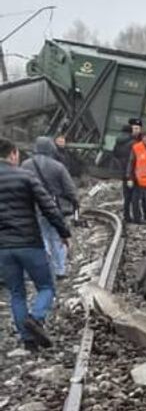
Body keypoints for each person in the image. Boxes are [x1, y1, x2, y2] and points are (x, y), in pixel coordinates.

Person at [0, 137, 72, 351]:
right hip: (29, 242)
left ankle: (28, 340)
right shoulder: (25, 176)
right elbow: (48, 207)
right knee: (47, 286)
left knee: (16, 293)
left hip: (3, 247)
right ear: (13, 153)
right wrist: (63, 232)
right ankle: (37, 318)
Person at [21, 136, 79, 278]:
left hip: (32, 206)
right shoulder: (58, 166)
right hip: (54, 206)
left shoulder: (25, 165)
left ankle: (40, 267)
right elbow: (70, 188)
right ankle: (59, 270)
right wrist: (75, 202)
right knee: (57, 237)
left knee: (39, 236)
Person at [113, 118, 144, 224]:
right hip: (133, 172)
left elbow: (115, 154)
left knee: (128, 196)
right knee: (135, 196)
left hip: (125, 172)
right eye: (134, 128)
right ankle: (137, 218)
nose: (136, 130)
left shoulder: (120, 139)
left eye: (138, 128)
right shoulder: (134, 143)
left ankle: (127, 216)